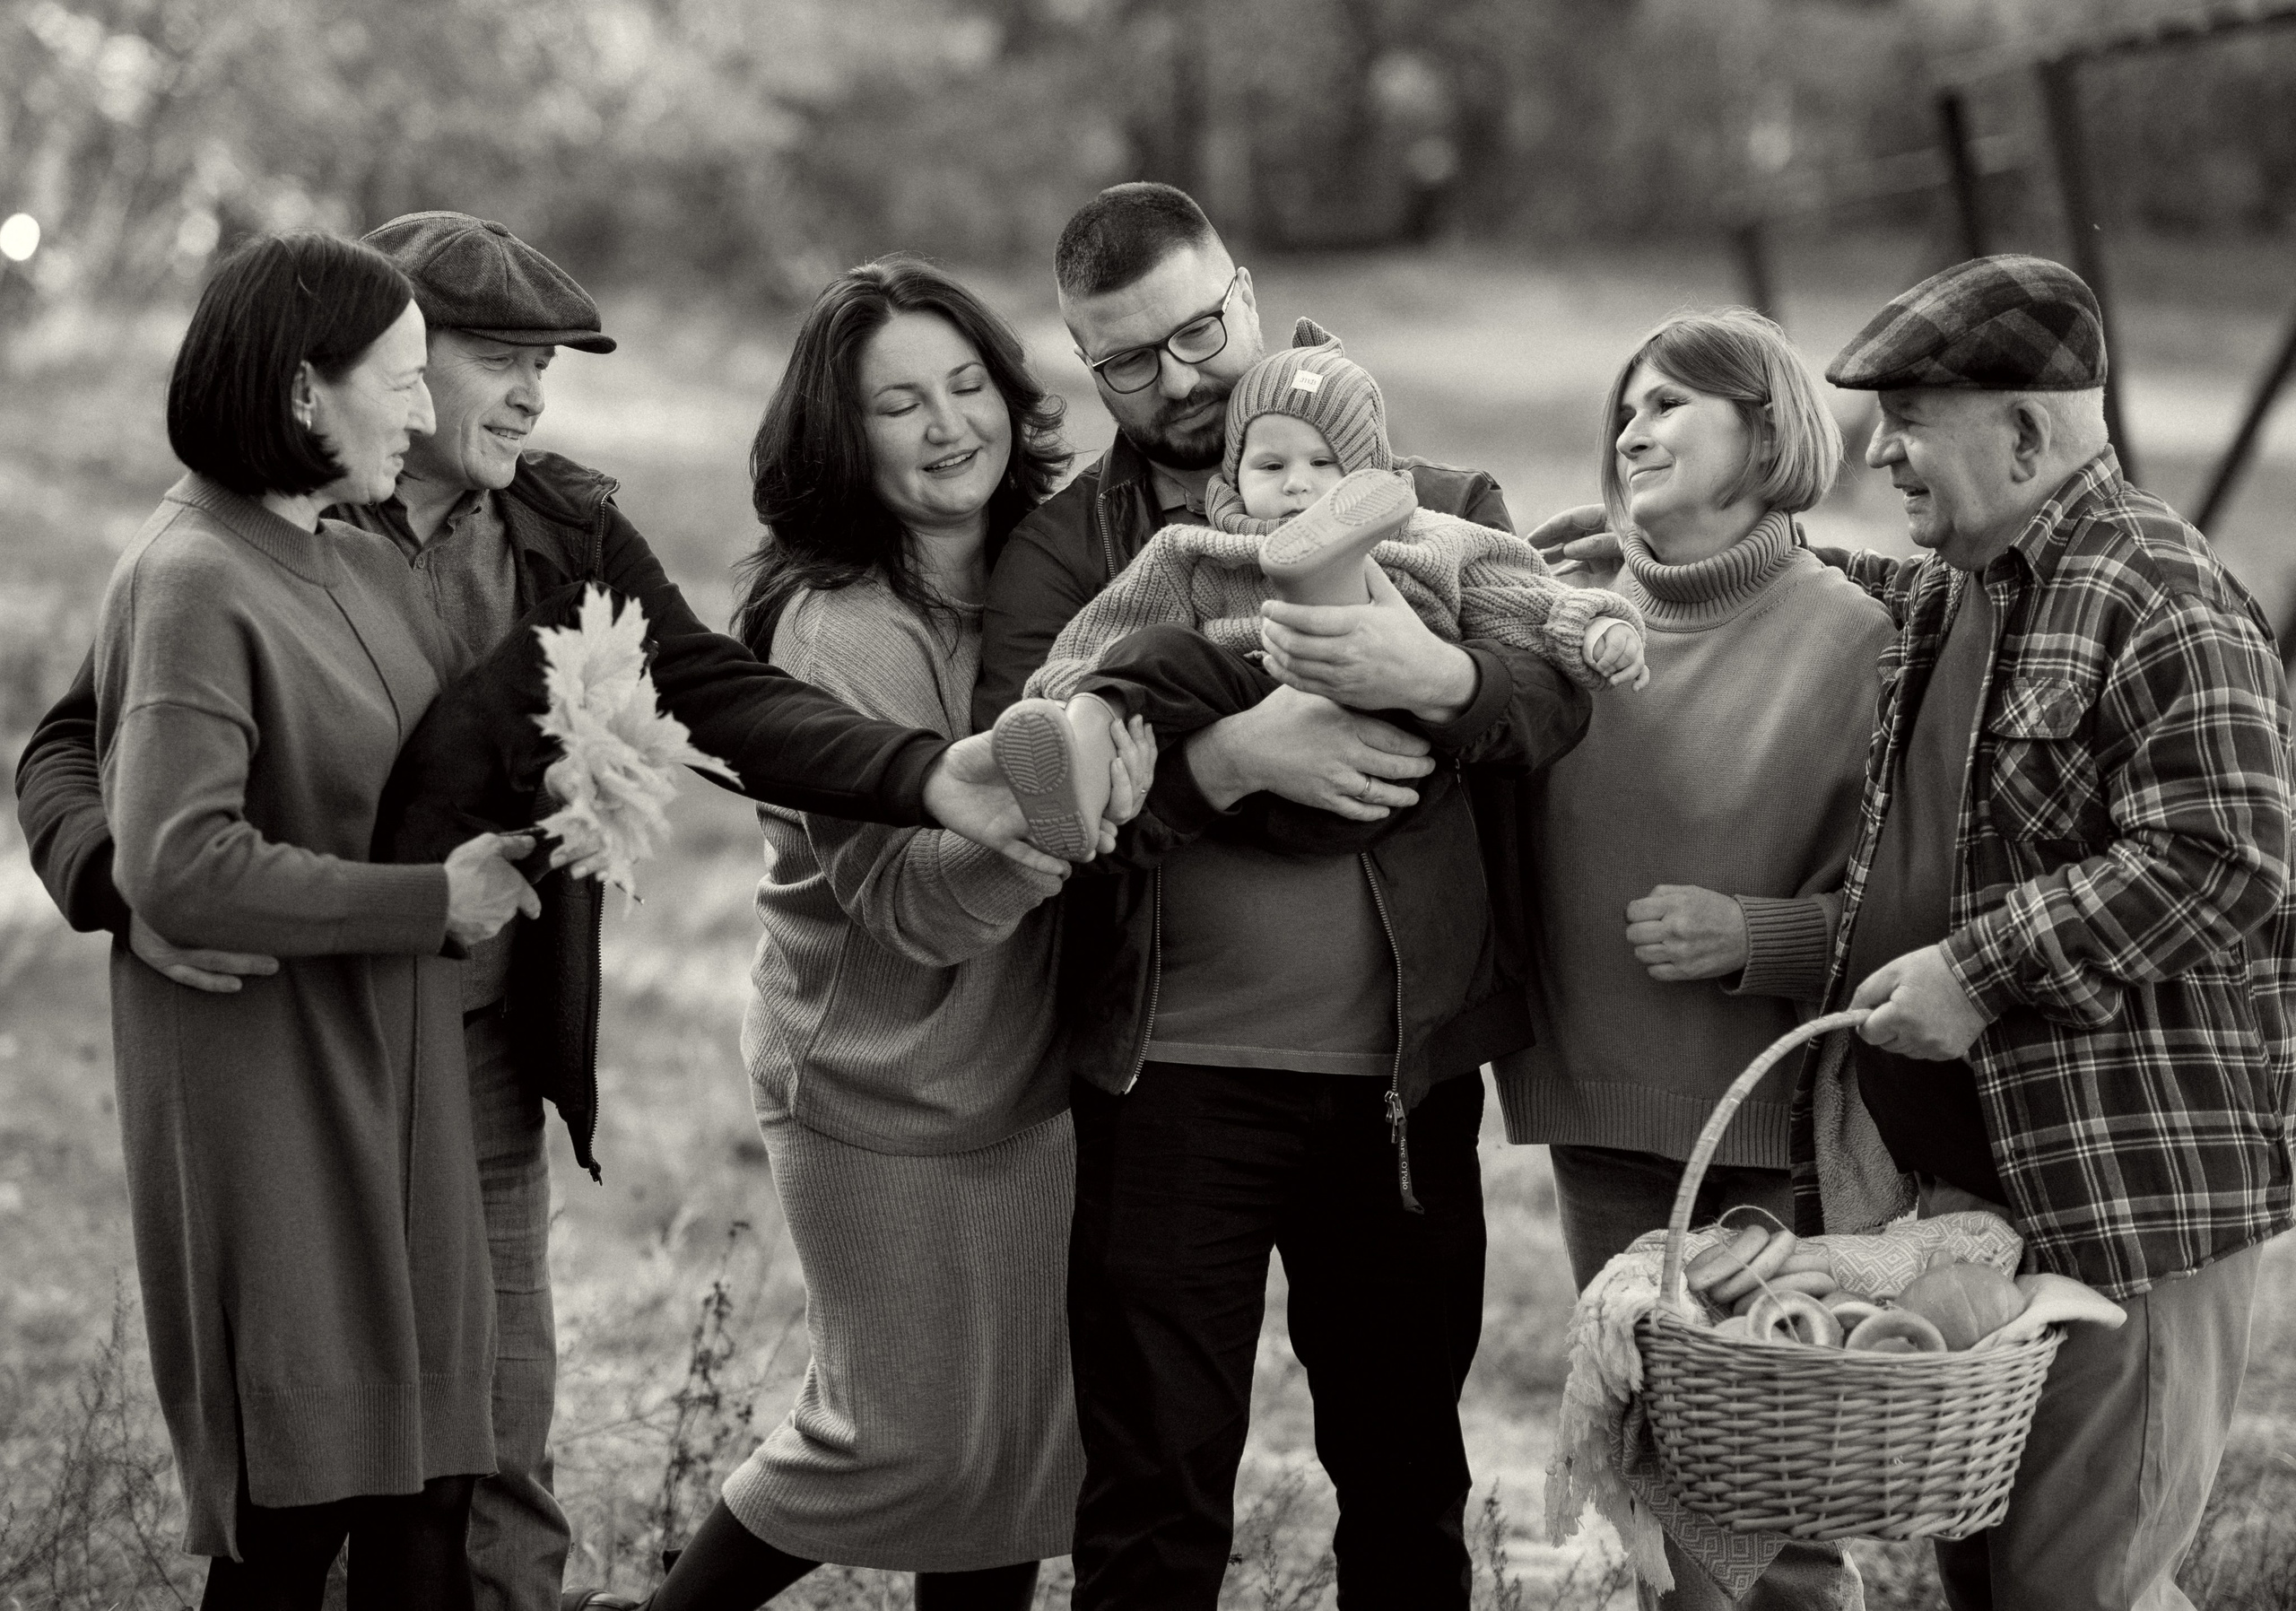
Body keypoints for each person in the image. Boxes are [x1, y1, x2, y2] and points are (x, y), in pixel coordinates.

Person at [11, 213, 1070, 1611]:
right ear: (391, 358)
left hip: (487, 1033)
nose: (529, 395)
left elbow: (716, 690)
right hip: (312, 1039)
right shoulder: (281, 515)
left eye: (545, 368)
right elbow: (73, 745)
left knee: (486, 1431)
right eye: (495, 361)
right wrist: (127, 889)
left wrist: (935, 775)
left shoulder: (556, 523)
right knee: (325, 1452)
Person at [978, 180, 1591, 1609]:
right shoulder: (1077, 552)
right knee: (1153, 1486)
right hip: (1167, 1076)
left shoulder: (1434, 504)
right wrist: (1236, 759)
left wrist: (1439, 681)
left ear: (1245, 292)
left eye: (1198, 331)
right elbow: (1032, 800)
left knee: (1403, 1478)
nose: (1176, 379)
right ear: (1083, 360)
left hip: (1395, 1080)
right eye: (1124, 359)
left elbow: (1553, 696)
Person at [578, 259, 1147, 1611]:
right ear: (845, 436)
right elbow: (914, 905)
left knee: (1008, 1454)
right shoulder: (843, 626)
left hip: (1025, 1076)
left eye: (969, 386)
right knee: (886, 1439)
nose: (951, 424)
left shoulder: (1046, 575)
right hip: (877, 1075)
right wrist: (1059, 826)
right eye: (902, 404)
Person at [1799, 255, 2296, 1611]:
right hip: (1990, 1193)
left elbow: (2228, 854)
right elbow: (1852, 599)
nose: (1880, 451)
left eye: (1910, 418)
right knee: (2006, 1573)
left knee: (2082, 1578)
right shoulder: (1976, 582)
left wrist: (1978, 967)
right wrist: (1693, 549)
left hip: (2117, 1194)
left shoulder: (2156, 591)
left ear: (2026, 432)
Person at [91, 232, 538, 1607]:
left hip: (399, 1069)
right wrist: (431, 903)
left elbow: (419, 768)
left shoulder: (349, 556)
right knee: (303, 1507)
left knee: (429, 1485)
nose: (422, 413)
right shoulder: (193, 579)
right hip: (274, 1085)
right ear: (302, 395)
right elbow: (179, 862)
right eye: (400, 383)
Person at [1494, 309, 1891, 1610]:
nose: (1634, 427)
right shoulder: (1568, 617)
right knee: (1658, 1480)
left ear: (1768, 430)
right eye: (1626, 407)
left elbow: (1912, 916)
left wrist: (1753, 935)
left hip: (1764, 1134)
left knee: (1770, 1509)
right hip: (1595, 1120)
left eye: (1671, 402)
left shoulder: (1854, 637)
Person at [992, 317, 1644, 858]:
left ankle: (1339, 575)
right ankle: (1077, 746)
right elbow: (1110, 629)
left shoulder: (1428, 534)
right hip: (1246, 706)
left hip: (1384, 752)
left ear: (1369, 472)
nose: (1297, 484)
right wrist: (1069, 690)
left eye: (1323, 464)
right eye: (1270, 464)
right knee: (1161, 651)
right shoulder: (1194, 550)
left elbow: (1517, 598)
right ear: (1233, 478)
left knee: (1402, 620)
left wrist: (1595, 627)